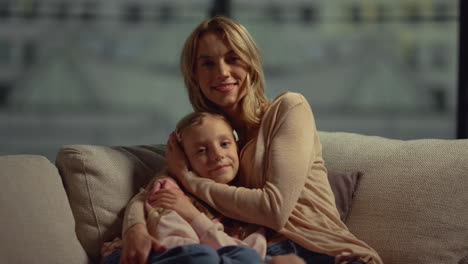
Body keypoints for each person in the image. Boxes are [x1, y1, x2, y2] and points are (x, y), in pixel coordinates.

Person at [123, 16, 384, 264]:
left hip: (325, 252)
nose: (222, 72)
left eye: (232, 58)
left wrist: (191, 180)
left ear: (250, 63)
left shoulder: (289, 109)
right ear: (195, 76)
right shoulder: (211, 140)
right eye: (207, 63)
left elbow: (274, 210)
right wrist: (135, 228)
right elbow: (154, 191)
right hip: (255, 253)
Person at [101, 112, 267, 264]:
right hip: (143, 255)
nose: (217, 154)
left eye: (224, 144)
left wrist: (195, 218)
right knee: (202, 256)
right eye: (201, 150)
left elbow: (254, 252)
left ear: (237, 146)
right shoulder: (171, 191)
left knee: (247, 257)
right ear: (184, 159)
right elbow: (173, 243)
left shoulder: (247, 199)